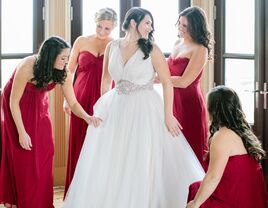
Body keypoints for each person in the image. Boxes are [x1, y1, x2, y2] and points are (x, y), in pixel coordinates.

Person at [63, 7, 205, 208]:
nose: (150, 27)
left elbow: (166, 82)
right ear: (132, 23)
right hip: (116, 104)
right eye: (147, 22)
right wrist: (103, 107)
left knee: (141, 155)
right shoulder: (113, 47)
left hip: (145, 107)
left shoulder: (152, 48)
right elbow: (106, 80)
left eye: (151, 23)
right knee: (113, 157)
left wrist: (168, 115)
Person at [0, 36, 100, 208]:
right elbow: (13, 102)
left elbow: (73, 102)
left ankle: (42, 203)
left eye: (68, 57)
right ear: (49, 56)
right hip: (16, 107)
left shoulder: (63, 72)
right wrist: (22, 132)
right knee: (24, 156)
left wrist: (87, 116)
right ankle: (23, 200)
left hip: (39, 107)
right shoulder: (28, 66)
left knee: (45, 152)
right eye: (63, 58)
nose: (66, 61)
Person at [63, 7, 117, 196]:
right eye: (99, 26)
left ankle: (98, 193)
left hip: (104, 98)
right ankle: (76, 193)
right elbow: (69, 71)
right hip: (80, 96)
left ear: (114, 28)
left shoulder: (115, 44)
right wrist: (66, 99)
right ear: (95, 22)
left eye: (107, 29)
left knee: (102, 143)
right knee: (79, 139)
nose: (102, 32)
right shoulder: (81, 41)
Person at [187, 86, 268, 208]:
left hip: (235, 201)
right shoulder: (244, 133)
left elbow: (213, 177)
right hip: (251, 198)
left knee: (195, 192)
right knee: (197, 186)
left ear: (213, 110)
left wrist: (195, 204)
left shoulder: (222, 136)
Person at [167, 6, 214, 168]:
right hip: (171, 101)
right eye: (179, 24)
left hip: (189, 104)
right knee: (173, 147)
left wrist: (156, 80)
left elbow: (184, 81)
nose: (180, 28)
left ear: (195, 27)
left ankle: (195, 189)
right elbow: (166, 70)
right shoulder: (176, 43)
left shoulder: (200, 49)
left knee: (191, 148)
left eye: (185, 26)